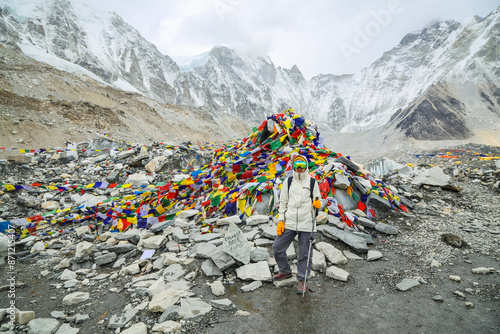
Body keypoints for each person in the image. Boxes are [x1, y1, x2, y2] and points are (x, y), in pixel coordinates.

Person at [273, 154, 322, 294]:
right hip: (289, 222)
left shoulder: (313, 182)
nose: (299, 168)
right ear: (293, 167)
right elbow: (283, 203)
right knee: (277, 248)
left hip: (307, 224)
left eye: (302, 165)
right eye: (296, 166)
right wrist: (281, 221)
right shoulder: (288, 182)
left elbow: (318, 200)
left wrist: (318, 203)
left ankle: (302, 279)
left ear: (306, 166)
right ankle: (285, 271)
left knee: (305, 254)